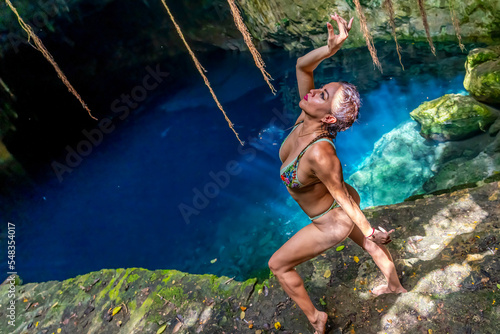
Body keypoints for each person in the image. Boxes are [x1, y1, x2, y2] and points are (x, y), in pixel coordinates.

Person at [268, 13, 407, 334]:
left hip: (332, 220)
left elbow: (341, 197)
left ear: (329, 120)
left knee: (278, 264)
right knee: (370, 246)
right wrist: (330, 49)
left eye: (323, 95)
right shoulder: (306, 119)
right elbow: (304, 66)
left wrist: (369, 230)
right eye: (321, 89)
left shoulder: (320, 152)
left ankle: (317, 318)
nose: (314, 92)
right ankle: (395, 286)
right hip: (339, 202)